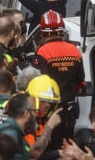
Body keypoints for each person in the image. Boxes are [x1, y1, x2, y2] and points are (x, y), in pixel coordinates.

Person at [33, 10, 84, 149]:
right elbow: (81, 78)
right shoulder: (74, 50)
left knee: (49, 148)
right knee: (66, 146)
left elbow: (38, 81)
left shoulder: (42, 52)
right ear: (62, 30)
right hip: (69, 110)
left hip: (49, 111)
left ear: (43, 31)